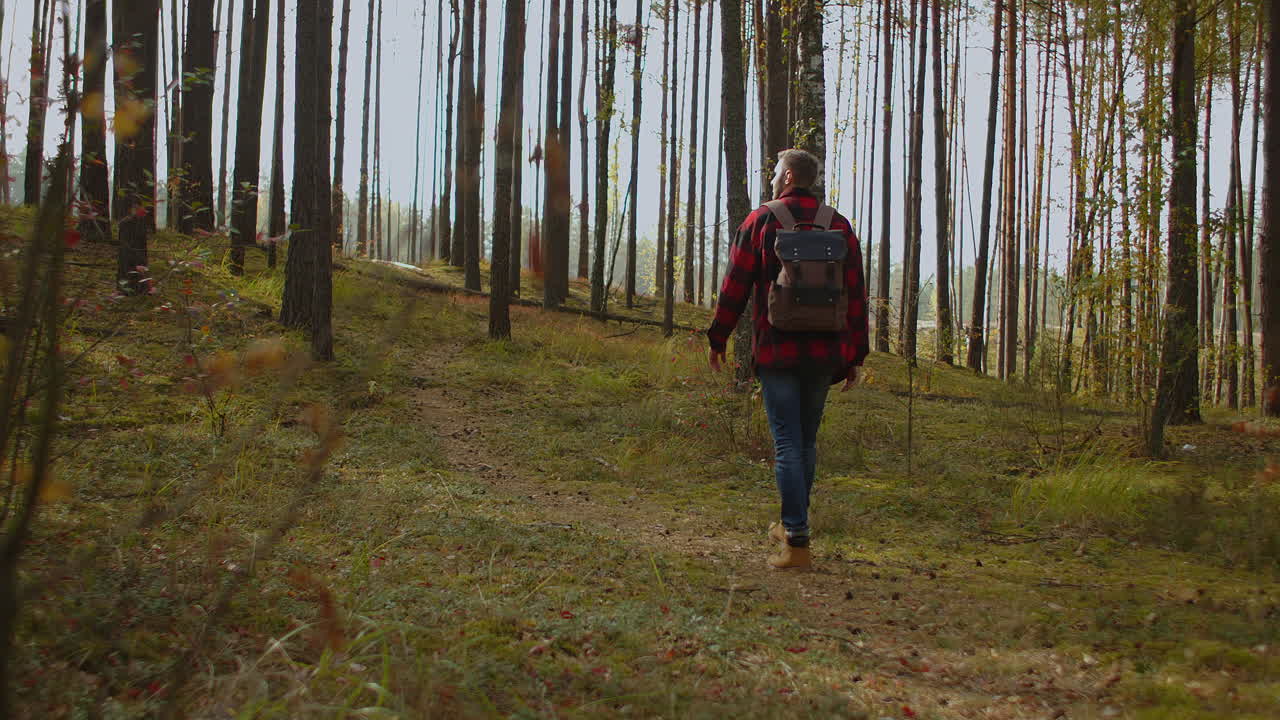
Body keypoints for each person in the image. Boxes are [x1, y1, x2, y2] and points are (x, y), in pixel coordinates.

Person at [707, 149, 869, 570]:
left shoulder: (761, 220)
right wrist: (855, 356)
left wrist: (718, 336)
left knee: (785, 444)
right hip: (825, 353)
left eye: (776, 172)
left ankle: (796, 540)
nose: (772, 178)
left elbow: (735, 284)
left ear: (791, 176)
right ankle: (790, 525)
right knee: (805, 441)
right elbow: (856, 296)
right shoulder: (839, 225)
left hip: (777, 350)